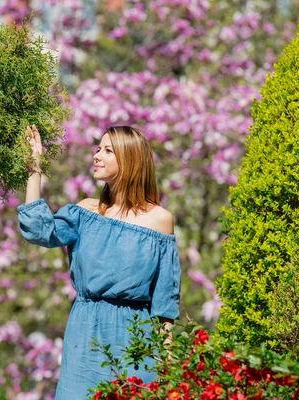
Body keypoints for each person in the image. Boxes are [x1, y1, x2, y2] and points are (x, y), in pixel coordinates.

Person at [17, 125, 181, 399]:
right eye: (97, 148)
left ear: (130, 159)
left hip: (138, 342)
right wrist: (35, 168)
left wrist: (168, 367)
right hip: (86, 336)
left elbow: (165, 303)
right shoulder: (84, 211)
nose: (96, 155)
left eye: (107, 150)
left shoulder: (160, 220)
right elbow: (38, 230)